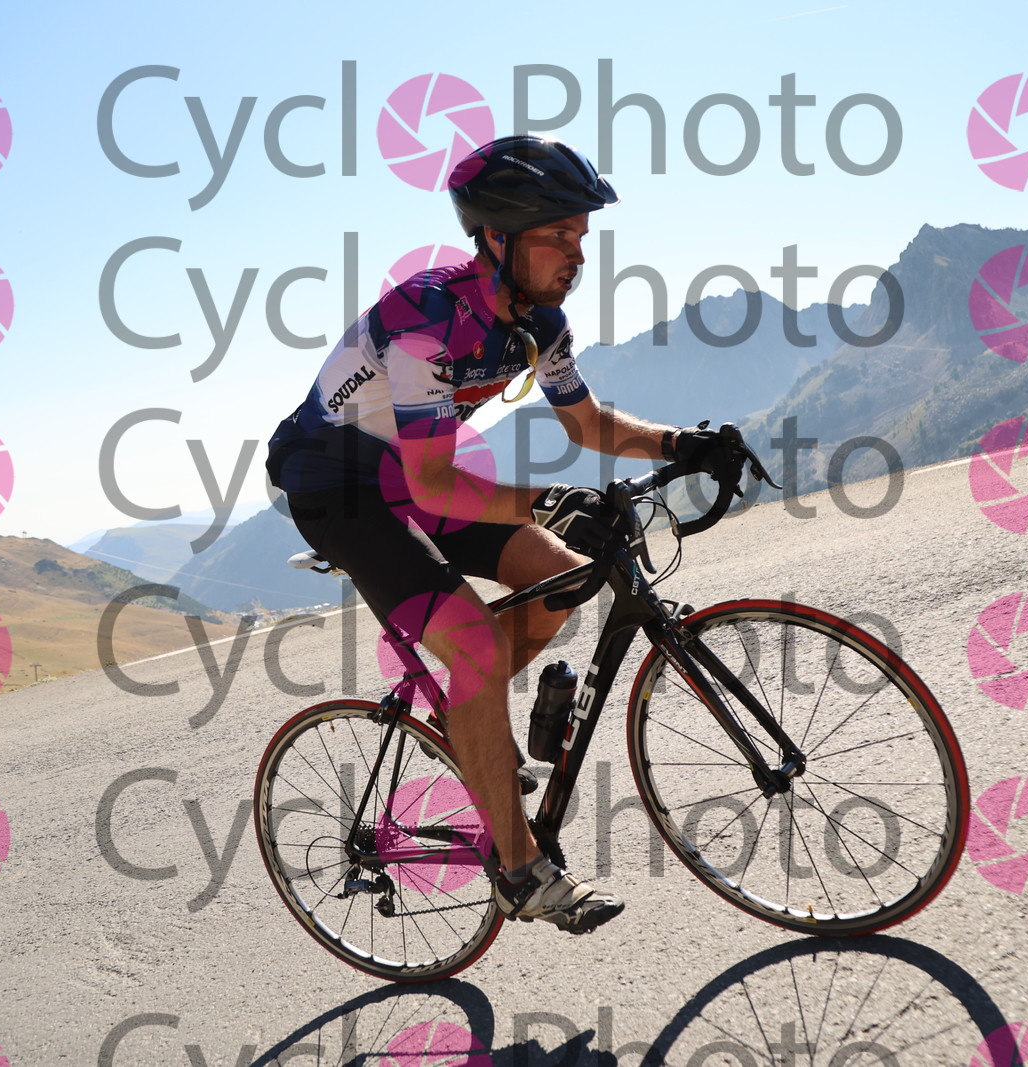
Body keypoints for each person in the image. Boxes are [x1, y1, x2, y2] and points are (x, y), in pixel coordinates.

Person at [265, 135, 720, 934]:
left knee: (567, 574)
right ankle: (519, 872)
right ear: (500, 239)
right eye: (559, 235)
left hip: (412, 472)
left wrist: (683, 443)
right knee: (475, 647)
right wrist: (546, 498)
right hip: (335, 488)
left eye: (582, 235)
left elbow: (589, 422)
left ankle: (467, 726)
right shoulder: (426, 322)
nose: (578, 254)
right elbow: (434, 485)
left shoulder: (539, 322)